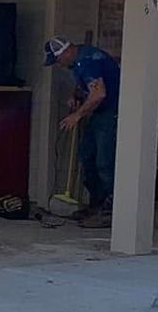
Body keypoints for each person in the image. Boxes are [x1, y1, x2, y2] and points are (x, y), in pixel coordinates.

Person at [45, 37, 120, 226]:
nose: (59, 65)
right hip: (98, 113)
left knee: (104, 161)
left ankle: (111, 211)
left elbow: (98, 94)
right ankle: (97, 205)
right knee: (86, 154)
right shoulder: (79, 62)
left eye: (58, 60)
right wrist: (76, 94)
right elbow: (86, 86)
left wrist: (77, 115)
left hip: (110, 112)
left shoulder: (88, 61)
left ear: (67, 51)